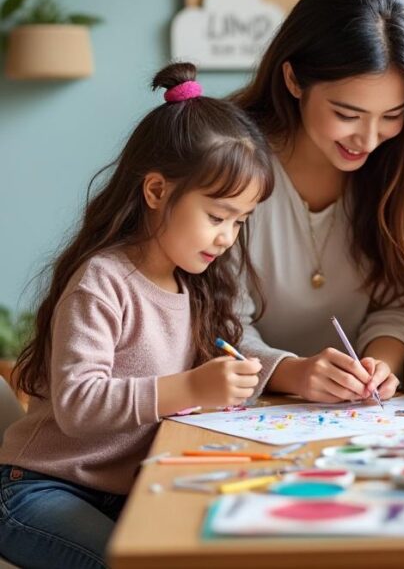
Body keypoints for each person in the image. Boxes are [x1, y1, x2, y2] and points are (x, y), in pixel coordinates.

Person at [0, 63, 273, 569]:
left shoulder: (193, 283)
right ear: (156, 192)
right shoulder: (102, 282)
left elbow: (220, 362)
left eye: (240, 221)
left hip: (125, 490)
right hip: (39, 490)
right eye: (217, 217)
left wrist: (273, 373)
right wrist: (191, 388)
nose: (227, 237)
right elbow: (79, 403)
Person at [230, 0, 404, 403]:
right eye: (347, 114)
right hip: (240, 397)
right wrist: (291, 373)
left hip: (355, 407)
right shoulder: (226, 157)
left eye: (392, 114)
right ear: (293, 80)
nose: (368, 140)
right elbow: (211, 317)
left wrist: (380, 366)